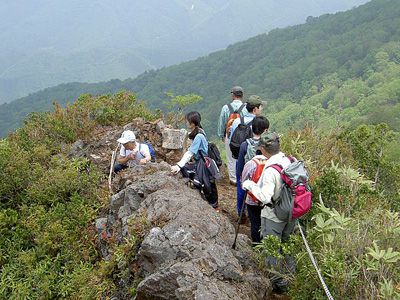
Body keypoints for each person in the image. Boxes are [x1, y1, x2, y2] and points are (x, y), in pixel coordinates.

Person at [242, 132, 296, 294]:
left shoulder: (271, 169)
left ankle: (278, 284)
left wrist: (249, 185)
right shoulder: (288, 160)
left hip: (274, 214)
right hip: (292, 210)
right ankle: (290, 278)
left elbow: (265, 197)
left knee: (272, 248)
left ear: (263, 149)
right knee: (287, 245)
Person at [171, 111, 219, 211]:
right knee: (207, 183)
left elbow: (190, 153)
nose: (186, 123)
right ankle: (210, 203)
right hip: (202, 162)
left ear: (192, 123)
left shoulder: (198, 136)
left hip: (202, 164)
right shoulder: (200, 131)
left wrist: (178, 165)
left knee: (206, 184)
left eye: (187, 121)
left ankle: (212, 206)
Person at [236, 116, 269, 235]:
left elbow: (240, 166)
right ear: (265, 130)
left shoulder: (245, 145)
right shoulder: (268, 145)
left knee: (254, 220)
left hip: (250, 183)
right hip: (266, 182)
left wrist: (241, 180)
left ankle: (241, 214)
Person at [217, 86, 247, 186]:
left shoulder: (226, 108)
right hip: (243, 136)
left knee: (231, 158)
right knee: (242, 156)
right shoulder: (246, 107)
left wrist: (222, 135)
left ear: (233, 95)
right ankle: (243, 176)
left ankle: (233, 179)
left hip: (229, 136)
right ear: (242, 95)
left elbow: (222, 123)